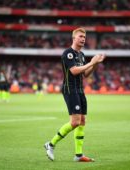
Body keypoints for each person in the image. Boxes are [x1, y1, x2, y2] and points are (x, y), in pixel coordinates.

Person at [44, 27, 105, 162]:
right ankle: (51, 144)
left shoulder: (81, 55)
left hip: (79, 89)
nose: (83, 39)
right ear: (74, 38)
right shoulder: (68, 53)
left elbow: (85, 74)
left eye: (84, 37)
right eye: (80, 37)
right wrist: (91, 62)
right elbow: (74, 71)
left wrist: (95, 65)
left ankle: (78, 155)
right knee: (75, 121)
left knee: (82, 121)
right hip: (70, 89)